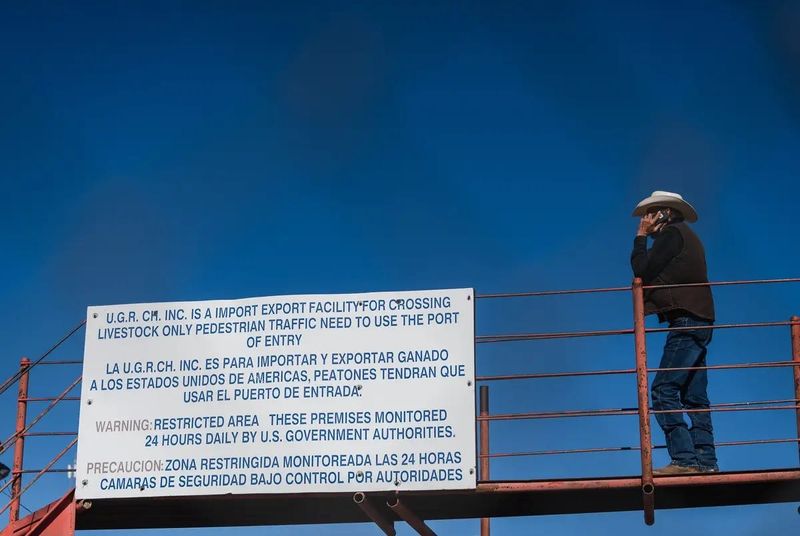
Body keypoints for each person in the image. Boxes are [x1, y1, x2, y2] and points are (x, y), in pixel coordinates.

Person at [630, 191, 719, 475]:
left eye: (650, 213)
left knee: (663, 390)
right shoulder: (686, 235)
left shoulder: (671, 234)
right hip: (700, 318)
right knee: (694, 394)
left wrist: (641, 237)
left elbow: (642, 270)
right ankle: (706, 461)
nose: (645, 219)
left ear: (664, 213)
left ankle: (685, 459)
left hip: (687, 319)